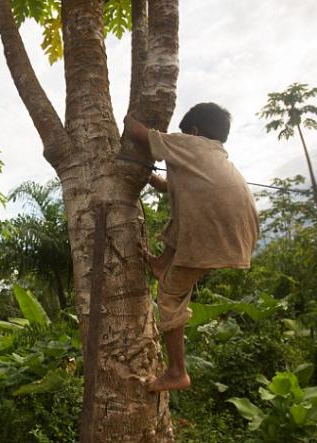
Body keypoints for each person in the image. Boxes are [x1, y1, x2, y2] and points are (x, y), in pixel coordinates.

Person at [124, 103, 259, 392]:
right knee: (183, 216)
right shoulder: (211, 157)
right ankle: (160, 264)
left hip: (216, 232)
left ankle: (177, 372)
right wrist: (148, 177)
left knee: (170, 295)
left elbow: (138, 133)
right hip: (236, 230)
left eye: (183, 133)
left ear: (194, 132)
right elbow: (169, 188)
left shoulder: (189, 144)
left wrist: (126, 115)